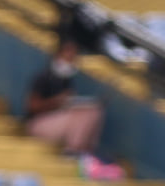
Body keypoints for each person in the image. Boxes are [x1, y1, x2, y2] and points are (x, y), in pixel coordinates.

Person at [25, 38, 117, 177]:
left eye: (73, 57)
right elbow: (32, 106)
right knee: (80, 114)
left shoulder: (67, 81)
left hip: (59, 122)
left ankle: (85, 153)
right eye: (67, 56)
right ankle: (73, 151)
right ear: (58, 55)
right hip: (38, 124)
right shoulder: (43, 77)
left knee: (94, 111)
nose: (70, 60)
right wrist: (56, 101)